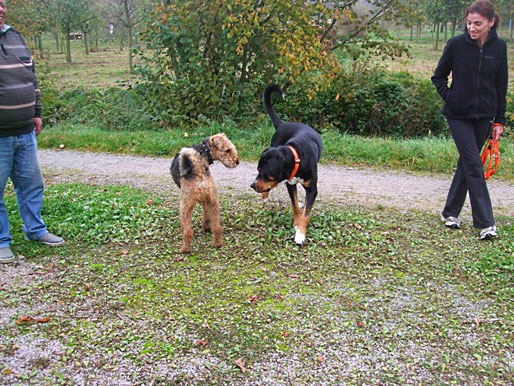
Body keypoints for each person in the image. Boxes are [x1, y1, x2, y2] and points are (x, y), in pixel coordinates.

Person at [431, 0, 508, 240]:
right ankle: (486, 223)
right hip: (458, 116)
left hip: (484, 116)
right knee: (474, 164)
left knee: (467, 163)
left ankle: (450, 212)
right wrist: (452, 99)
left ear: (491, 22)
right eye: (469, 23)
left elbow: (501, 84)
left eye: (478, 23)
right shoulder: (456, 44)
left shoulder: (499, 47)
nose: (472, 28)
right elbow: (438, 78)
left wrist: (499, 120)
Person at [0, 0, 64, 264]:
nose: (1, 9)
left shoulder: (14, 36)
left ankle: (35, 230)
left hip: (25, 132)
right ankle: (2, 241)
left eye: (2, 4)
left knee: (31, 185)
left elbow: (31, 77)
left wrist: (36, 112)